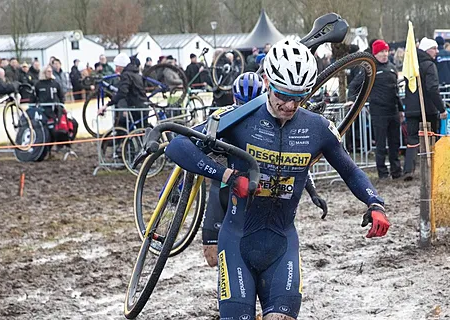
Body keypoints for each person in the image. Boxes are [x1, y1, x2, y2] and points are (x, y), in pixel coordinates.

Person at [164, 39, 389, 320]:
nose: (290, 104)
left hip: (282, 245)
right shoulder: (238, 119)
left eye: (299, 96)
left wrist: (374, 203)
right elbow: (177, 146)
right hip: (236, 243)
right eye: (283, 94)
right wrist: (227, 176)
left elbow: (350, 169)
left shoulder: (315, 128)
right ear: (267, 82)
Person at [202, 72, 328, 269]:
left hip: (258, 199)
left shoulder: (272, 119)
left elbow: (294, 163)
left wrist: (312, 191)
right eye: (241, 103)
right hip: (224, 185)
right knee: (212, 258)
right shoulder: (227, 117)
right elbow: (192, 153)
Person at [402, 38, 447, 181]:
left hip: (411, 109)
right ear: (427, 50)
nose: (437, 51)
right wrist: (441, 108)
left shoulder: (411, 65)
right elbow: (433, 88)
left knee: (412, 140)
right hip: (428, 109)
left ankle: (409, 169)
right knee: (432, 137)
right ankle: (433, 165)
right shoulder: (429, 65)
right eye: (434, 48)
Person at [369, 40, 403, 180]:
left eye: (386, 51)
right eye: (381, 52)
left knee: (395, 143)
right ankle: (382, 172)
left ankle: (396, 171)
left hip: (393, 111)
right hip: (379, 112)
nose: (384, 54)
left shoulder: (392, 68)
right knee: (381, 144)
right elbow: (355, 85)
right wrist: (352, 99)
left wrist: (400, 109)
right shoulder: (370, 68)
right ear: (375, 53)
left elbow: (396, 91)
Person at [105, 53, 147, 128]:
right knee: (143, 129)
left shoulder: (126, 75)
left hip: (135, 107)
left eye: (117, 66)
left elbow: (122, 92)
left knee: (124, 125)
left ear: (121, 66)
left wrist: (108, 104)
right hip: (142, 105)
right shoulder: (135, 73)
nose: (116, 69)